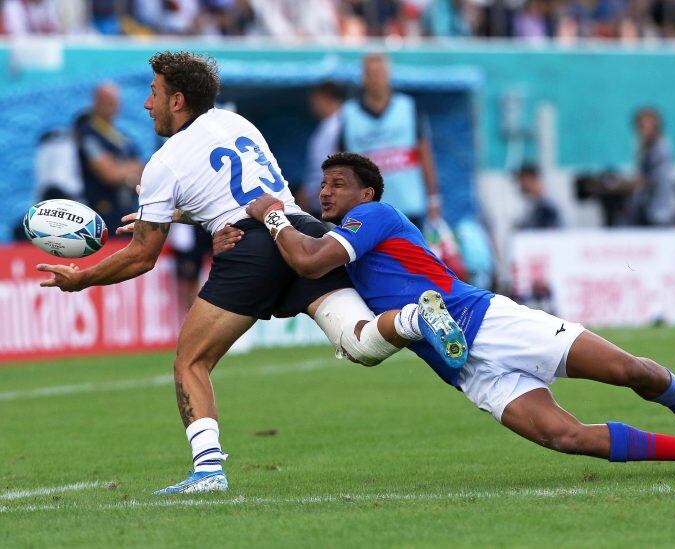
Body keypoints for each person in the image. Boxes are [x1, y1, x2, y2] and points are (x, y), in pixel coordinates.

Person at [36, 52, 467, 496]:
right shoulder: (237, 124)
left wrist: (81, 276)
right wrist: (180, 216)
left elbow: (142, 256)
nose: (148, 105)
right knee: (361, 343)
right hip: (301, 230)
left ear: (178, 100)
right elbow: (238, 194)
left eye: (153, 94)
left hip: (250, 248)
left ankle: (207, 472)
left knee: (191, 361)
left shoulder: (163, 163)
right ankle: (416, 319)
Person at [216, 152, 675, 475]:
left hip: (487, 321)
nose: (327, 190)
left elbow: (306, 260)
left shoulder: (374, 215)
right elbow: (293, 267)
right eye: (324, 183)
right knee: (563, 436)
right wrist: (234, 236)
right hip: (463, 367)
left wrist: (271, 215)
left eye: (339, 183)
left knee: (629, 371)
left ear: (369, 192)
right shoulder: (330, 236)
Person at [339, 53, 441, 230]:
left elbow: (424, 153)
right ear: (363, 78)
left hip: (408, 205)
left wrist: (433, 197)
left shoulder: (407, 107)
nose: (377, 79)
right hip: (370, 208)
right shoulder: (349, 114)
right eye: (372, 74)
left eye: (381, 73)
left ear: (388, 75)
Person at [75, 82, 145, 233]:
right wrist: (131, 170)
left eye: (114, 102)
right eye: (106, 101)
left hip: (125, 209)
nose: (111, 106)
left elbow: (142, 169)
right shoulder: (88, 133)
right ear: (96, 102)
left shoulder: (120, 136)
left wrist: (127, 171)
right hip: (101, 213)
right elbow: (109, 173)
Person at [298, 82, 346, 219]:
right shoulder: (326, 125)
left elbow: (337, 163)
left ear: (325, 98)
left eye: (315, 100)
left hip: (332, 199)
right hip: (319, 198)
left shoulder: (339, 125)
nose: (312, 105)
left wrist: (313, 192)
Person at [625, 107, 674, 227]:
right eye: (640, 126)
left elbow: (653, 179)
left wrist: (628, 184)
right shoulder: (645, 149)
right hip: (647, 208)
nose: (643, 130)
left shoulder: (660, 149)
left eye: (647, 125)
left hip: (657, 211)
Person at [516, 163, 562, 229]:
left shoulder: (547, 208)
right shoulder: (533, 205)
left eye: (522, 180)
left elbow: (549, 234)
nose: (520, 185)